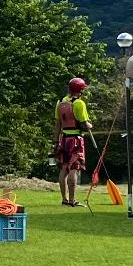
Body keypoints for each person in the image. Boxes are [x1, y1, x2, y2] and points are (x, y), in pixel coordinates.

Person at [55, 77, 92, 206]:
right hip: (76, 139)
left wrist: (56, 141)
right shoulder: (79, 103)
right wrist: (90, 125)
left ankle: (64, 200)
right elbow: (83, 124)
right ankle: (72, 200)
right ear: (81, 90)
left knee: (64, 169)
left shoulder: (60, 102)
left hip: (64, 139)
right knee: (74, 169)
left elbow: (58, 123)